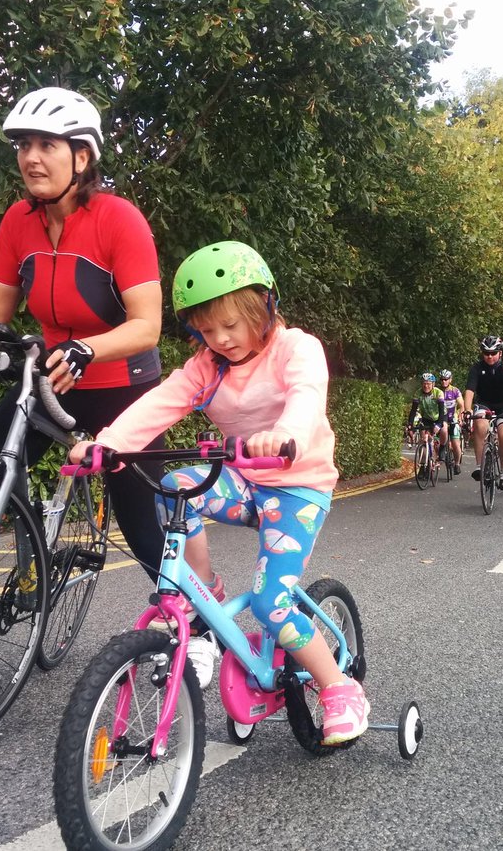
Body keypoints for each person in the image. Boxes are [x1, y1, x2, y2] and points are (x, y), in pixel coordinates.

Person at [0, 86, 167, 658]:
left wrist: (88, 350)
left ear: (83, 156)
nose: (31, 157)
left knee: (140, 518)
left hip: (122, 387)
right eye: (24, 145)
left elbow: (147, 325)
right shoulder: (18, 222)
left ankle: (185, 617)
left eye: (48, 144)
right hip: (48, 383)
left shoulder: (119, 219)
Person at [70, 240, 368, 745]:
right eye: (206, 329)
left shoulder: (296, 349)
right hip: (244, 483)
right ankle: (205, 590)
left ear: (264, 304)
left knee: (274, 603)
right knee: (173, 485)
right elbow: (161, 403)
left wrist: (283, 434)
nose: (220, 338)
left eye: (231, 324)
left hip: (296, 487)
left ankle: (339, 689)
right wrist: (108, 445)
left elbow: (306, 397)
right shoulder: (208, 366)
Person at [463, 335, 503, 491]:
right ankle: (480, 466)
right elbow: (470, 390)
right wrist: (467, 410)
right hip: (484, 403)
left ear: (500, 353)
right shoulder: (476, 368)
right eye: (486, 353)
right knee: (480, 425)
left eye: (493, 353)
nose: (490, 357)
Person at [437, 369, 464, 475]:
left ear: (450, 380)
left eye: (446, 379)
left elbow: (461, 405)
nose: (444, 381)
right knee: (436, 442)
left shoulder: (455, 391)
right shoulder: (437, 391)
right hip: (440, 419)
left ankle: (457, 464)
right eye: (442, 379)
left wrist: (460, 418)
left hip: (453, 418)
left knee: (455, 444)